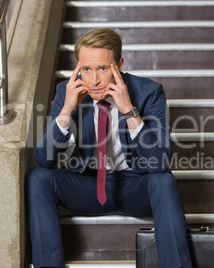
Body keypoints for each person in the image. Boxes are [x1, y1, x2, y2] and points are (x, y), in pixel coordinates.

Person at [26, 28, 191, 268]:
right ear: (78, 67)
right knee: (38, 177)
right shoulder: (67, 91)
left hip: (134, 186)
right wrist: (66, 111)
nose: (93, 80)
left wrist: (129, 111)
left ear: (119, 64)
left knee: (164, 181)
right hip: (88, 186)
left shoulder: (148, 92)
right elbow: (45, 159)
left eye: (103, 68)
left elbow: (160, 162)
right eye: (86, 69)